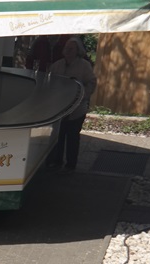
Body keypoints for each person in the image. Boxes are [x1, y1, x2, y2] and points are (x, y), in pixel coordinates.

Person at [48, 38, 97, 172]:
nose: (68, 51)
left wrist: (83, 96)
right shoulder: (57, 65)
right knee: (58, 135)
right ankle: (56, 161)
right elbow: (49, 82)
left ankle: (71, 164)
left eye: (71, 49)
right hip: (59, 108)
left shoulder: (84, 66)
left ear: (77, 51)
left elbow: (91, 83)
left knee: (72, 136)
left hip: (77, 109)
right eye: (66, 48)